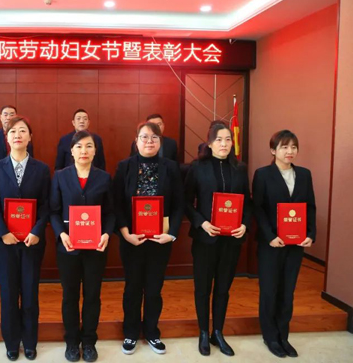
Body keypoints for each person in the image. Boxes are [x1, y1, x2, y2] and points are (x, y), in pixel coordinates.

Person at [114, 121, 184, 356]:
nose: (149, 142)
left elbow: (179, 204)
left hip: (160, 240)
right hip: (132, 239)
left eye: (154, 138)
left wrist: (172, 233)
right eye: (144, 137)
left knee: (154, 289)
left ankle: (152, 332)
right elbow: (116, 203)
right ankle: (131, 332)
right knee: (133, 288)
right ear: (136, 141)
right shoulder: (124, 166)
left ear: (160, 142)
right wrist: (125, 232)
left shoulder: (171, 167)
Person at [184, 122, 251, 357]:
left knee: (223, 288)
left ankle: (218, 332)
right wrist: (202, 223)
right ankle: (203, 331)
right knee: (203, 288)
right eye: (219, 140)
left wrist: (244, 224)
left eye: (228, 140)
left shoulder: (240, 168)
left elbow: (247, 202)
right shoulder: (197, 167)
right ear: (210, 143)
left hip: (231, 240)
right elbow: (186, 201)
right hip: (206, 238)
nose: (224, 144)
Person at [0, 116, 51, 361]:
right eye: (13, 131)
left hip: (32, 242)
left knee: (30, 293)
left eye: (23, 131)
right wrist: (3, 232)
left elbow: (46, 204)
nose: (18, 135)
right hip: (5, 243)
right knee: (9, 294)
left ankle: (30, 342)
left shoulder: (42, 169)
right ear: (7, 137)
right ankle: (12, 343)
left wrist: (36, 231)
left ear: (30, 137)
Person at [50, 130, 115, 362]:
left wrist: (107, 233)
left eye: (89, 146)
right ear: (72, 151)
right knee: (69, 296)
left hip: (96, 248)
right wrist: (61, 234)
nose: (84, 151)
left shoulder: (104, 178)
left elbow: (110, 213)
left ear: (95, 151)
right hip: (68, 248)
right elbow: (54, 211)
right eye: (79, 146)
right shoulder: (60, 176)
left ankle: (88, 342)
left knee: (92, 296)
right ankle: (71, 341)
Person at [253, 130, 316, 358]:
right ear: (273, 150)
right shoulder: (263, 174)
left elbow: (310, 207)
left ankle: (283, 336)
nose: (290, 151)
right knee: (269, 290)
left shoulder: (305, 175)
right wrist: (269, 235)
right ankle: (270, 336)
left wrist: (311, 234)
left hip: (295, 244)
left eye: (293, 147)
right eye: (284, 147)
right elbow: (257, 208)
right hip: (271, 244)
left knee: (288, 291)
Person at [0, 105, 34, 169]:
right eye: (5, 115)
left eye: (11, 115)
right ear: (1, 117)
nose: (8, 118)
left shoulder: (24, 137)